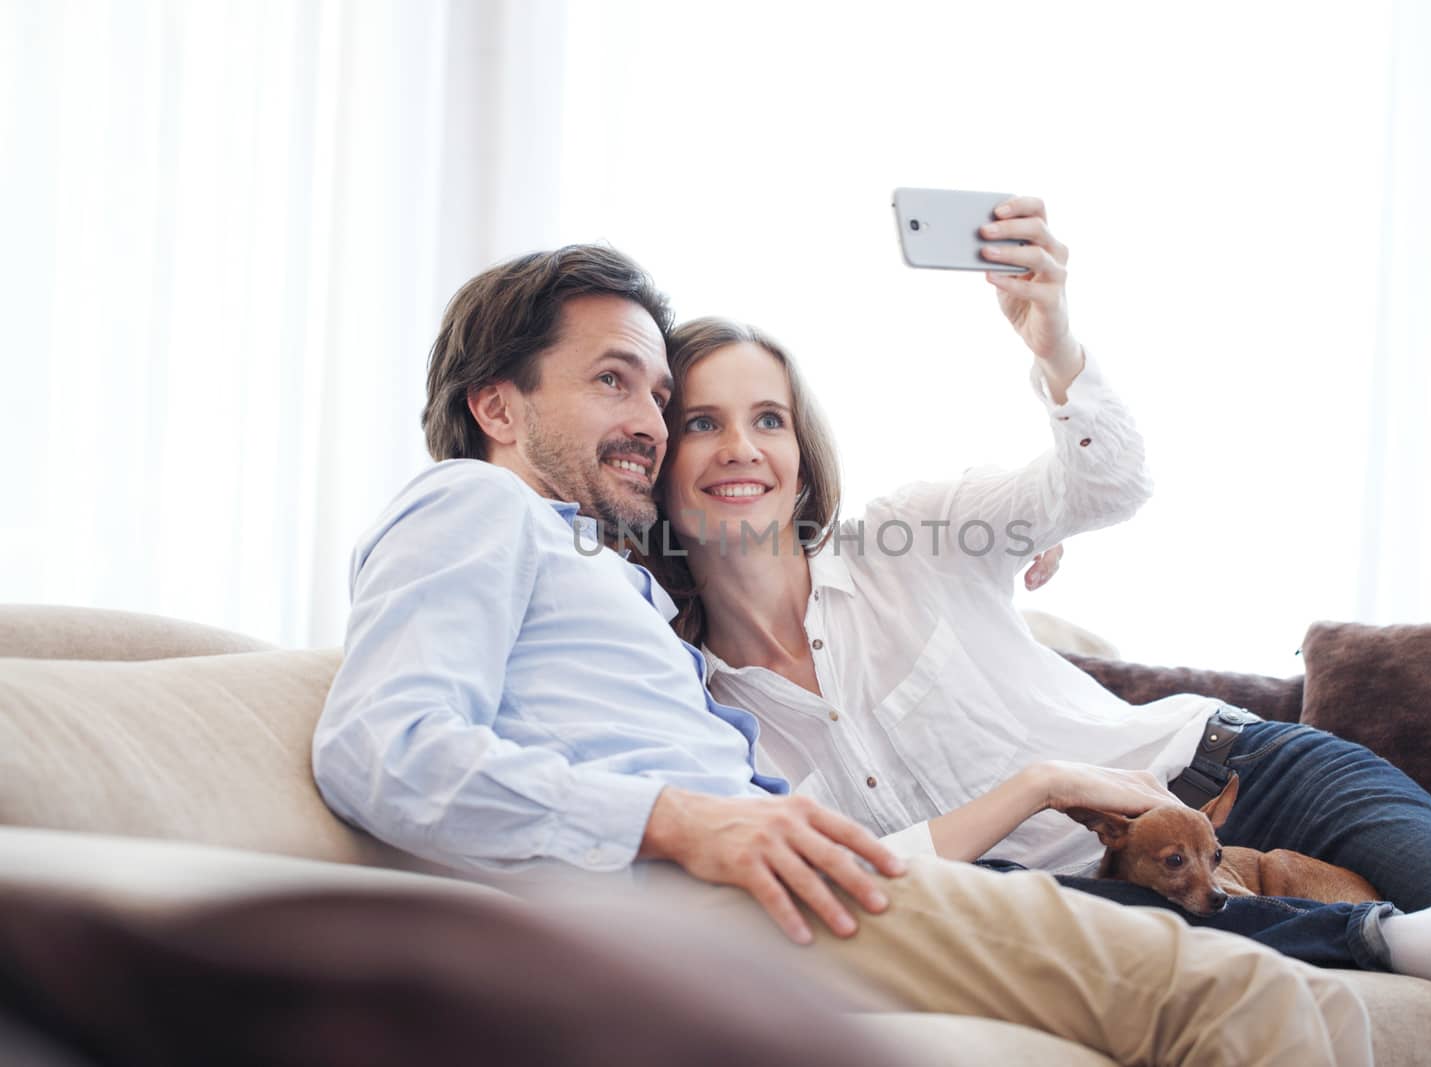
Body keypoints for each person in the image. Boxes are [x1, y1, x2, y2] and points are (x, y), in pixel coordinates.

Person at [312, 244, 1374, 1066]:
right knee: (1244, 990)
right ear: (495, 405)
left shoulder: (621, 580)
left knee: (1257, 965)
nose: (648, 419)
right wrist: (681, 819)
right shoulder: (473, 503)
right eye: (610, 382)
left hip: (800, 878)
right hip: (722, 900)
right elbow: (381, 749)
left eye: (652, 394)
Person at [637, 198, 1431, 1055]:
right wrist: (1035, 788)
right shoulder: (700, 708)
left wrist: (1052, 342)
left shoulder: (906, 536)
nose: (741, 450)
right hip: (1101, 897)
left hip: (1239, 774)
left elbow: (1105, 484)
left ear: (803, 453)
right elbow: (867, 884)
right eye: (702, 423)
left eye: (768, 419)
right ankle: (1401, 938)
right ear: (655, 462)